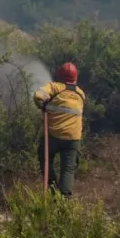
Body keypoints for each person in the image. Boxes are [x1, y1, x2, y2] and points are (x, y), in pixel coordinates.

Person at [33, 62, 86, 198]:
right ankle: (64, 200)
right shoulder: (81, 93)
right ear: (75, 78)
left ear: (60, 75)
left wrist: (43, 105)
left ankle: (52, 188)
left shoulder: (54, 87)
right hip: (73, 138)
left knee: (44, 154)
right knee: (68, 170)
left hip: (54, 135)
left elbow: (38, 96)